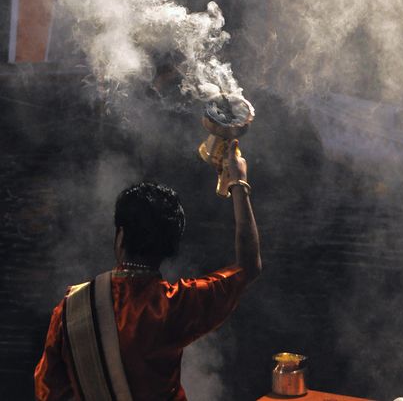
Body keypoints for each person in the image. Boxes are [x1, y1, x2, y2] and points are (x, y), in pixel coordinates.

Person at [34, 141, 261, 400]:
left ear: (120, 237)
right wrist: (239, 183)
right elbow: (249, 266)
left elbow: (48, 391)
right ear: (171, 246)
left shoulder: (70, 308)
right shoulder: (177, 304)